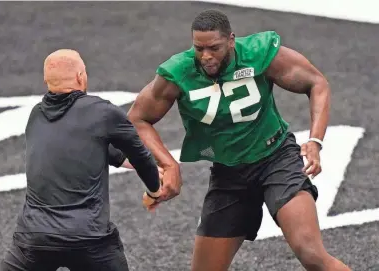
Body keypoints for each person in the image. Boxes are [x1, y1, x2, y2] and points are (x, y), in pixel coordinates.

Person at [128, 9, 351, 271]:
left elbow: (317, 82)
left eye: (214, 47)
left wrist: (315, 140)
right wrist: (169, 164)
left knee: (311, 253)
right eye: (199, 48)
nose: (206, 56)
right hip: (229, 173)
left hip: (276, 159)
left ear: (231, 40)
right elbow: (137, 119)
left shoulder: (258, 54)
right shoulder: (179, 72)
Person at [1, 49, 162, 271]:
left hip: (34, 237)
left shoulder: (36, 116)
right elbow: (141, 156)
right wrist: (154, 190)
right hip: (89, 238)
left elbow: (86, 147)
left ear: (47, 80)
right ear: (80, 77)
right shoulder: (103, 112)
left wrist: (125, 162)